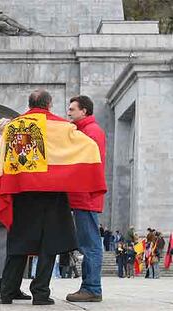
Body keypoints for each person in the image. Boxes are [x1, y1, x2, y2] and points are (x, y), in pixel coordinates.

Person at [0, 89, 94, 305]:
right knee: (49, 245)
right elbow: (88, 147)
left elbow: (4, 163)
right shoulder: (63, 127)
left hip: (23, 194)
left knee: (18, 243)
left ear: (30, 104)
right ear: (49, 104)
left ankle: (7, 291)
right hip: (53, 194)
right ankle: (40, 293)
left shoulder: (13, 127)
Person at [0, 118, 31, 300]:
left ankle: (15, 287)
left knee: (18, 249)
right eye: (6, 132)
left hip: (18, 206)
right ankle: (5, 288)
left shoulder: (19, 153)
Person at [66, 95, 106, 302]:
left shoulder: (91, 132)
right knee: (87, 243)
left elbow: (86, 167)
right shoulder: (83, 131)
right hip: (82, 196)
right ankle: (89, 287)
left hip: (86, 196)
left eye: (72, 109)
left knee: (90, 244)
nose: (69, 112)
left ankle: (92, 288)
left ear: (84, 111)